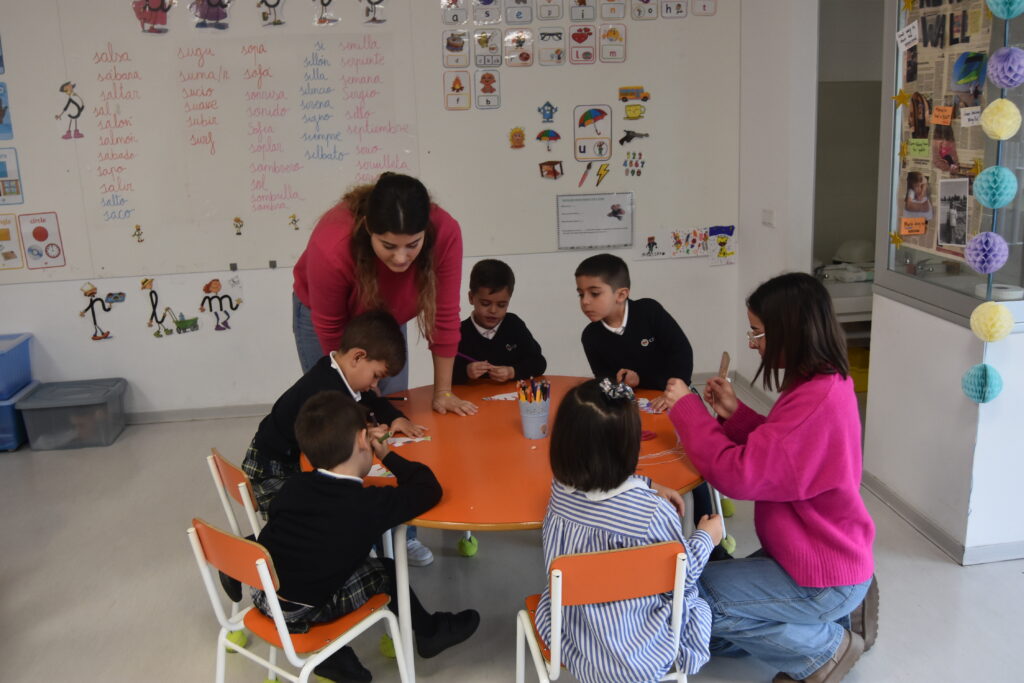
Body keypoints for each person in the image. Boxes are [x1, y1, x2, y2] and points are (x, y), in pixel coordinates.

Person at [664, 272, 877, 683]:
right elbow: (786, 455)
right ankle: (833, 618)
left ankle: (826, 650)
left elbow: (739, 475)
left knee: (694, 601)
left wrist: (688, 411)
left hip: (820, 574)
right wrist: (734, 414)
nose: (753, 343)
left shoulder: (815, 398)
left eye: (758, 332)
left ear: (790, 331)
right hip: (814, 554)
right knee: (701, 631)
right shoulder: (825, 382)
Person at [253, 391, 480, 682]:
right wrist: (386, 454)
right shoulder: (366, 505)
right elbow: (428, 488)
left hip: (264, 594)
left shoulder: (294, 485)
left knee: (315, 560)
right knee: (385, 570)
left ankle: (336, 657)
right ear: (364, 440)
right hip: (304, 610)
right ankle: (429, 632)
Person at [534, 377, 722, 683]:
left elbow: (599, 486)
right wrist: (706, 537)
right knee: (695, 598)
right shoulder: (652, 513)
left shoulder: (559, 491)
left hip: (573, 639)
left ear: (562, 441)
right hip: (642, 655)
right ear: (630, 445)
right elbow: (682, 574)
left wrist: (648, 484)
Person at [242, 310, 435, 566]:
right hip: (271, 469)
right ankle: (250, 551)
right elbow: (330, 445)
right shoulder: (325, 388)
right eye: (376, 375)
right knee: (326, 520)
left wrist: (394, 417)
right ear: (358, 357)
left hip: (287, 459)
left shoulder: (335, 371)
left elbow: (371, 399)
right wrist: (365, 435)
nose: (375, 384)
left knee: (336, 512)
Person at [292, 172, 477, 417]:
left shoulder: (446, 233)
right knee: (339, 410)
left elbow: (444, 317)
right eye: (389, 246)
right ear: (368, 227)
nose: (401, 258)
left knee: (393, 402)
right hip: (327, 317)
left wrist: (443, 392)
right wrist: (359, 395)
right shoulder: (332, 246)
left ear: (426, 231)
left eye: (412, 245)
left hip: (387, 315)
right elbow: (331, 329)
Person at [575, 253, 693, 411]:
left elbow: (682, 353)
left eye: (594, 293)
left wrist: (672, 393)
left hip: (673, 395)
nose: (585, 301)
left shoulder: (649, 311)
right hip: (635, 405)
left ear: (621, 294)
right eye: (581, 294)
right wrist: (626, 382)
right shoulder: (590, 336)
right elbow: (606, 382)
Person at [452, 259, 546, 385]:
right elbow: (446, 375)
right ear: (471, 298)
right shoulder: (459, 333)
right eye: (485, 303)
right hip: (471, 396)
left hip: (511, 395)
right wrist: (466, 371)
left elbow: (539, 362)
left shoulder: (514, 325)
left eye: (502, 305)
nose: (493, 310)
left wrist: (512, 371)